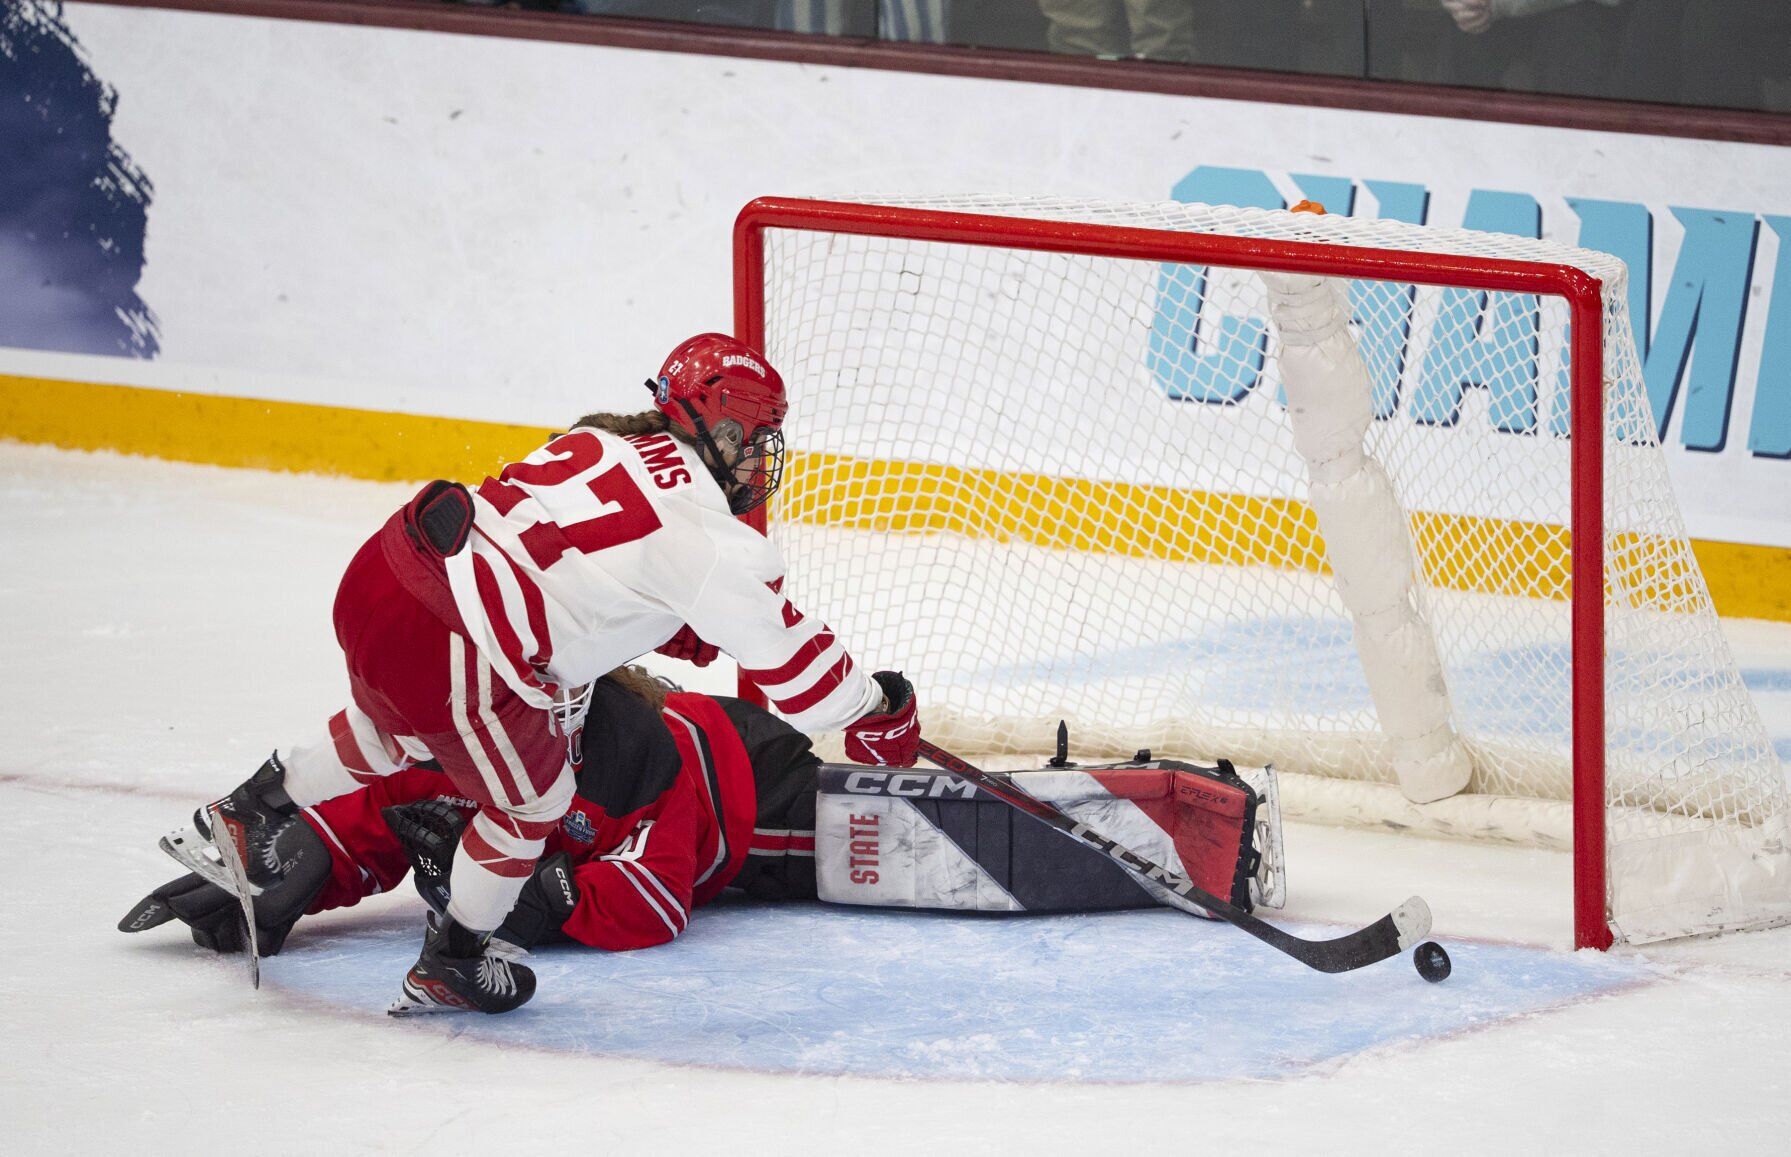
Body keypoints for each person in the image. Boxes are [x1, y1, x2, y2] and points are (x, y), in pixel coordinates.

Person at [175, 333, 921, 1015]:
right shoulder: (705, 538)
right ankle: (454, 959)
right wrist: (881, 704)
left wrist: (670, 622)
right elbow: (805, 684)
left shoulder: (598, 439)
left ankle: (250, 809)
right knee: (534, 804)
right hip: (456, 637)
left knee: (395, 737)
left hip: (384, 569)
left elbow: (575, 563)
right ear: (723, 430)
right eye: (755, 440)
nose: (759, 461)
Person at [125, 667, 827, 958]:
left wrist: (546, 895)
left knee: (856, 826)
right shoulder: (450, 738)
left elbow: (658, 896)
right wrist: (302, 858)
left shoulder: (638, 757)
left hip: (746, 795)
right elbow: (375, 813)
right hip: (688, 745)